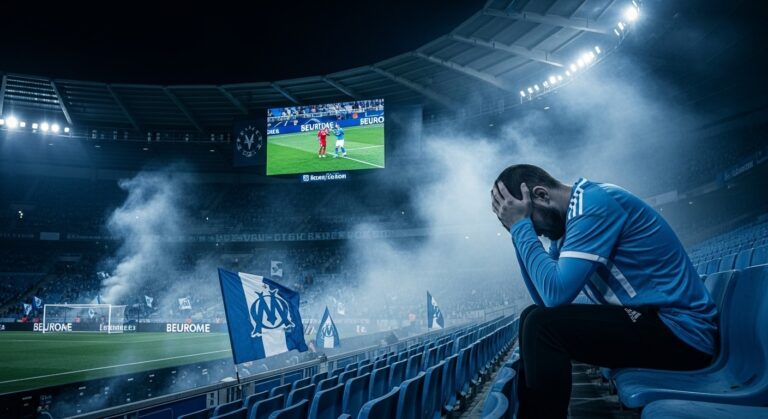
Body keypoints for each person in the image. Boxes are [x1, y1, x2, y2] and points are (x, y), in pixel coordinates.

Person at [491, 164, 717, 419]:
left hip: (682, 334)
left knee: (543, 327)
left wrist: (522, 229)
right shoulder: (567, 227)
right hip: (649, 320)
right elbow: (544, 299)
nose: (538, 233)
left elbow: (556, 294)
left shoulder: (592, 203)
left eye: (531, 222)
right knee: (532, 316)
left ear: (542, 195)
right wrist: (517, 233)